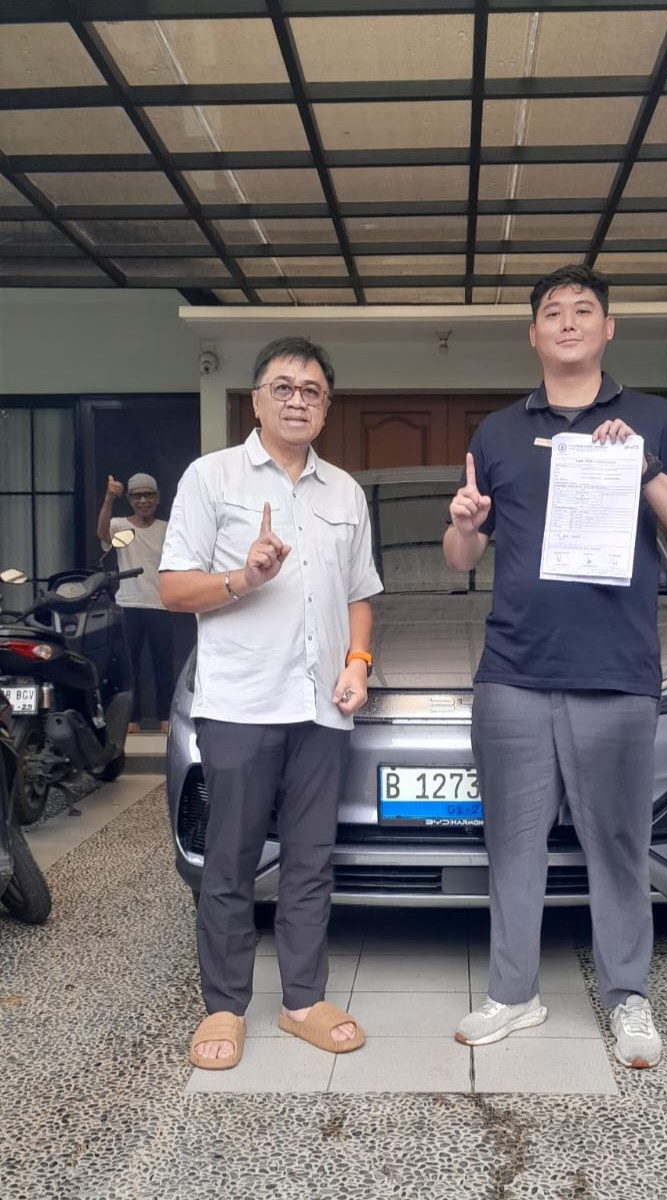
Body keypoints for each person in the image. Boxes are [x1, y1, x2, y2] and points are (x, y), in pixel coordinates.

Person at [443, 265, 667, 1069]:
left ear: (608, 329)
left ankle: (627, 996)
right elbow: (461, 555)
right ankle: (513, 993)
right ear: (534, 334)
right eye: (553, 312)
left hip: (616, 672)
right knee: (512, 845)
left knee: (619, 846)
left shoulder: (653, 420)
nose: (568, 322)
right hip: (513, 672)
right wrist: (464, 523)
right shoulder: (498, 433)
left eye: (584, 310)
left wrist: (645, 467)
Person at [158, 335, 382, 1071]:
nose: (297, 400)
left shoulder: (344, 492)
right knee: (231, 862)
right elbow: (172, 588)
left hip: (322, 708)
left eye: (312, 390)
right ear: (255, 401)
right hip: (241, 702)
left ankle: (302, 1002)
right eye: (282, 387)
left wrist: (358, 664)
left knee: (312, 860)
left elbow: (359, 595)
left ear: (326, 407)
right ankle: (224, 1006)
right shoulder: (212, 478)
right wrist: (244, 579)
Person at [97, 472, 173, 735]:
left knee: (164, 665)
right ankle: (132, 718)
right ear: (129, 499)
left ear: (158, 498)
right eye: (137, 495)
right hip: (128, 604)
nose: (143, 500)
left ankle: (166, 717)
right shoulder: (119, 525)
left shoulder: (167, 528)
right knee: (129, 667)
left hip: (160, 604)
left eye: (148, 495)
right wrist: (109, 499)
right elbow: (102, 534)